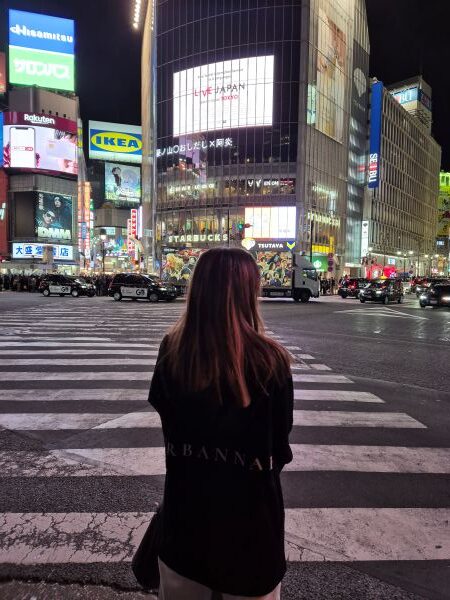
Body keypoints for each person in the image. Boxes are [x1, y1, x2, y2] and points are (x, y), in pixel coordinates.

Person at [148, 247, 293, 600]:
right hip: (252, 532)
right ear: (249, 293)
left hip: (184, 524)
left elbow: (165, 414)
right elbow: (279, 450)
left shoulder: (172, 352)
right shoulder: (271, 361)